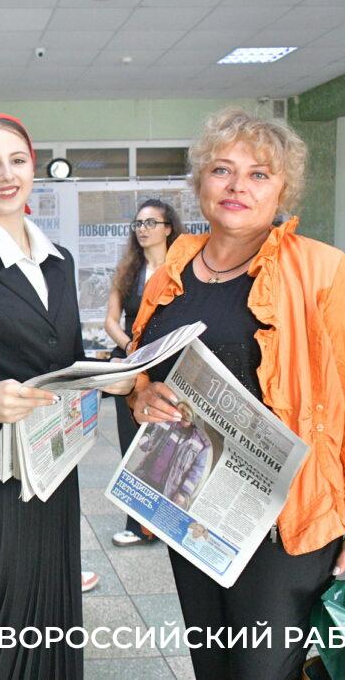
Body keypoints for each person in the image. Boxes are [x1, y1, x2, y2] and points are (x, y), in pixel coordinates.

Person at [128, 108, 345, 679]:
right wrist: (141, 396)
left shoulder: (322, 270)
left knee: (264, 670)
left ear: (282, 190)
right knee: (213, 666)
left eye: (258, 174)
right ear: (200, 182)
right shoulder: (174, 266)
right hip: (194, 507)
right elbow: (142, 365)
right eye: (222, 170)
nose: (237, 187)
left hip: (285, 522)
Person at [0, 112, 134, 679]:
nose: (6, 175)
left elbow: (63, 362)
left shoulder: (58, 261)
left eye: (17, 161)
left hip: (52, 471)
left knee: (49, 625)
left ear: (34, 168)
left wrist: (106, 377)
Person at [104, 198, 186, 547]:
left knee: (178, 446)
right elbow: (111, 321)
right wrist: (130, 346)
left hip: (171, 367)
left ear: (168, 229)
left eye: (151, 223)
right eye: (138, 223)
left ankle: (172, 521)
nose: (143, 229)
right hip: (133, 367)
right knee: (134, 446)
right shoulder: (128, 271)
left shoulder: (185, 267)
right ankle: (138, 526)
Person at [130, 403, 211, 509]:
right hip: (145, 475)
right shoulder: (165, 421)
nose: (184, 415)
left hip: (167, 490)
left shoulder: (202, 443)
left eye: (188, 414)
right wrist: (144, 442)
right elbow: (147, 432)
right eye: (183, 410)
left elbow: (197, 471)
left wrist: (184, 493)